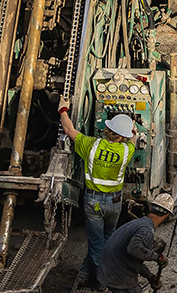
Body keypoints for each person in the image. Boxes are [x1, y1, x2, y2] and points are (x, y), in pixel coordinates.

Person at [60, 103, 139, 287]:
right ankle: (86, 274)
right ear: (123, 136)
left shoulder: (91, 145)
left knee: (96, 244)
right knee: (107, 241)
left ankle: (101, 282)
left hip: (93, 202)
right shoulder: (126, 150)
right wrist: (133, 132)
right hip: (115, 202)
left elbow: (69, 129)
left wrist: (63, 110)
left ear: (107, 129)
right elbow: (133, 140)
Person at [93, 191, 174, 292]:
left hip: (107, 271)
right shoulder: (146, 230)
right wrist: (157, 257)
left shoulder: (138, 223)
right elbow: (134, 249)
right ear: (166, 216)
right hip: (116, 275)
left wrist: (150, 277)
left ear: (150, 208)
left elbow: (135, 260)